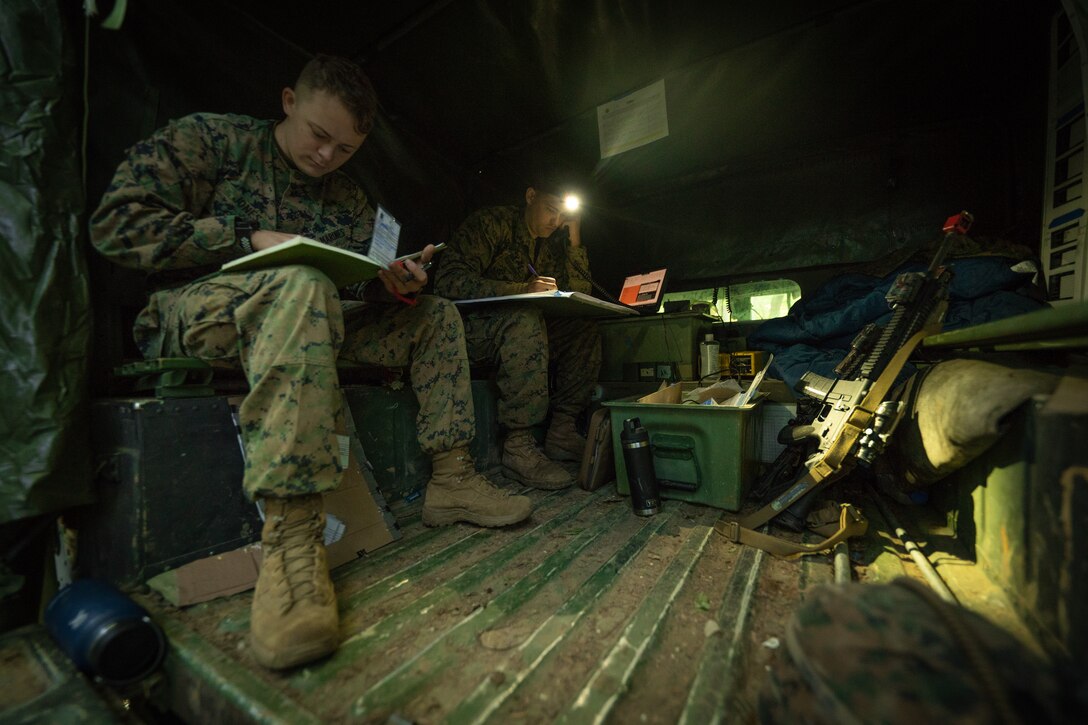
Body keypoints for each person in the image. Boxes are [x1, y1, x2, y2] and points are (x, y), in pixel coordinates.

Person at [89, 55, 531, 671]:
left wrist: (390, 283)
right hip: (195, 313)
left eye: (344, 149)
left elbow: (355, 277)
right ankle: (293, 539)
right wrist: (244, 238)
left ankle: (452, 480)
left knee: (433, 314)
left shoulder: (349, 196)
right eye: (319, 135)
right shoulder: (211, 141)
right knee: (301, 286)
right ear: (289, 101)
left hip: (311, 316)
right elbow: (116, 225)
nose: (327, 156)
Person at [433, 172, 603, 490]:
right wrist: (522, 289)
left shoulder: (549, 245)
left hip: (518, 330)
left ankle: (562, 430)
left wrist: (574, 237)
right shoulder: (492, 224)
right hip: (467, 329)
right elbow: (449, 281)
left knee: (582, 329)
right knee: (524, 319)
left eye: (563, 215)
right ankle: (518, 447)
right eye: (551, 209)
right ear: (530, 196)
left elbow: (580, 294)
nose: (556, 221)